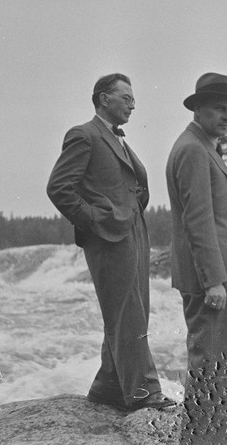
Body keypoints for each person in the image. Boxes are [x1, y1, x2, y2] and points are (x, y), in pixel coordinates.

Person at [47, 73, 174, 411]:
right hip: (108, 236)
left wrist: (131, 211)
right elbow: (59, 188)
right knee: (128, 312)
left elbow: (131, 184)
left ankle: (108, 385)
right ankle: (144, 393)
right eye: (126, 96)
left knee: (133, 311)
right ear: (104, 99)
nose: (133, 103)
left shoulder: (118, 140)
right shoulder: (84, 135)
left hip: (133, 231)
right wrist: (96, 221)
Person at [166, 72, 227, 444]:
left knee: (221, 366)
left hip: (221, 276)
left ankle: (213, 438)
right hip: (213, 280)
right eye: (220, 109)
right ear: (198, 109)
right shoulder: (193, 150)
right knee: (213, 367)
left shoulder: (203, 148)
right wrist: (214, 278)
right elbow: (197, 219)